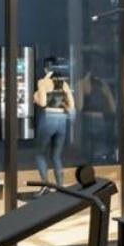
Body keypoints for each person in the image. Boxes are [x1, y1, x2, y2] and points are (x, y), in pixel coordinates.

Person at [32, 57, 75, 187]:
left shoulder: (42, 82)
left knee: (40, 153)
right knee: (56, 156)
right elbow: (72, 105)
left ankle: (45, 185)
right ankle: (61, 187)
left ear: (46, 68)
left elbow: (43, 102)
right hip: (62, 120)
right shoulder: (64, 83)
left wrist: (35, 97)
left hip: (49, 118)